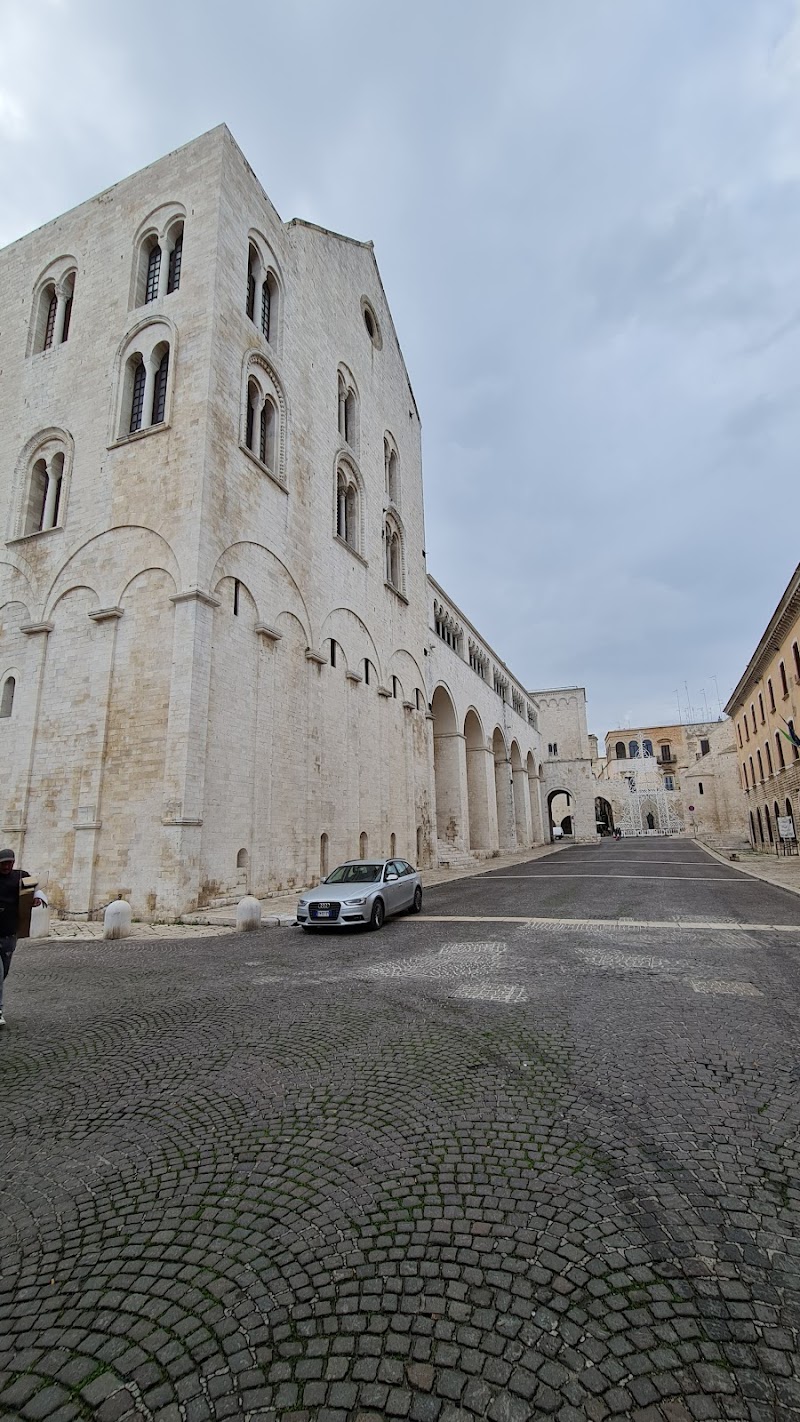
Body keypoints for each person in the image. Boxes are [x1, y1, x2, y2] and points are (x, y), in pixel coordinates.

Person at [0, 847, 44, 1029]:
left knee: (5, 972)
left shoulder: (21, 876)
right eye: (4, 863)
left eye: (10, 862)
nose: (7, 866)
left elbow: (36, 889)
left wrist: (36, 898)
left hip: (10, 933)